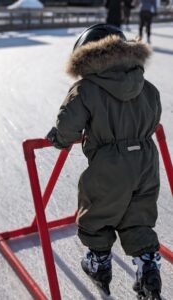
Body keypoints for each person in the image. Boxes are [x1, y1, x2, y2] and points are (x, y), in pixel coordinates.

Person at [47, 24, 162, 299]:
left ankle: (99, 263)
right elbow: (155, 115)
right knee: (138, 216)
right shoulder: (146, 85)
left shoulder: (86, 89)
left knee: (97, 212)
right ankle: (147, 266)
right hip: (146, 160)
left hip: (110, 163)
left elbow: (69, 124)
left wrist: (61, 139)